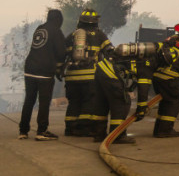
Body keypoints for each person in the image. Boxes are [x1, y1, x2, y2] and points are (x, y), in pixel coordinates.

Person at [18, 9, 67, 141]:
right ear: (58, 20)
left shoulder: (40, 28)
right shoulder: (56, 31)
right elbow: (62, 53)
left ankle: (23, 131)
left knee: (29, 100)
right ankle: (41, 131)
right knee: (44, 102)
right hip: (44, 72)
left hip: (29, 69)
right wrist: (59, 68)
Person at [63, 8, 111, 137]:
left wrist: (59, 69)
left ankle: (70, 129)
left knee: (74, 102)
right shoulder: (100, 35)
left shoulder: (72, 35)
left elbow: (62, 54)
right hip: (90, 76)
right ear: (95, 22)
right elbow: (110, 51)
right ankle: (83, 128)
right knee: (88, 101)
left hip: (71, 77)